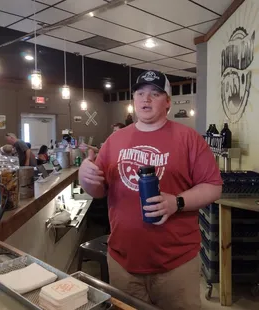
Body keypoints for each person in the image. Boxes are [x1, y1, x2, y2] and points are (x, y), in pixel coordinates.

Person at [79, 70, 222, 310]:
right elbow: (98, 191)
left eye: (155, 94)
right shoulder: (114, 141)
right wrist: (86, 177)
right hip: (123, 264)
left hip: (176, 266)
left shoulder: (188, 138)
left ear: (167, 102)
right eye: (140, 93)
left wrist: (176, 202)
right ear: (134, 99)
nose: (146, 99)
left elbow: (213, 187)